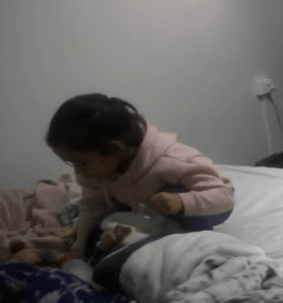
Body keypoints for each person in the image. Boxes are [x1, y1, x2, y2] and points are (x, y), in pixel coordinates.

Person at [45, 94, 236, 260]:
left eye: (82, 162)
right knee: (105, 220)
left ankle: (191, 250)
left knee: (178, 196)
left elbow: (224, 197)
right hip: (144, 208)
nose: (78, 171)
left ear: (115, 149)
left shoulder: (170, 160)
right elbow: (91, 205)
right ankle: (119, 257)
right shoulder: (96, 171)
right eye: (71, 163)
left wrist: (181, 202)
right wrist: (79, 246)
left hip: (206, 201)